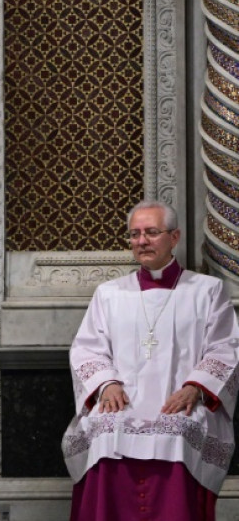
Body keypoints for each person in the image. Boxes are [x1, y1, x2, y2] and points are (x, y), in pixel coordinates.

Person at [62, 200, 239, 520]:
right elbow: (86, 348)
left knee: (179, 429)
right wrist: (106, 384)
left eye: (151, 232)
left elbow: (224, 348)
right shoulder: (109, 293)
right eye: (134, 234)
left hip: (181, 400)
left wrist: (196, 387)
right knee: (104, 430)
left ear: (174, 237)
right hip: (122, 401)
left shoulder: (207, 291)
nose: (141, 241)